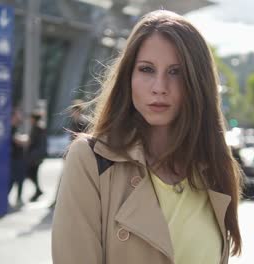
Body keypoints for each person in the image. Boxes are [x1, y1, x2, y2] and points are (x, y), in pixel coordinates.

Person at [52, 10, 243, 264]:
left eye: (176, 72)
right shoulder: (90, 160)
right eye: (146, 69)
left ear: (198, 83)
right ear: (128, 76)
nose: (159, 87)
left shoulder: (212, 169)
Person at [27, 110, 47, 202]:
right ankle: (38, 191)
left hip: (35, 155)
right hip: (38, 155)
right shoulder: (41, 126)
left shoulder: (37, 127)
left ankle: (38, 191)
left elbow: (32, 141)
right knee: (33, 174)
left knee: (31, 173)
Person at [8, 109, 26, 206]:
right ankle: (7, 198)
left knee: (19, 178)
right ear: (13, 117)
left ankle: (18, 198)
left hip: (18, 157)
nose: (19, 117)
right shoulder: (11, 127)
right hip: (14, 157)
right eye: (17, 115)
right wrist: (24, 140)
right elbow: (17, 140)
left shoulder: (16, 127)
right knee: (12, 179)